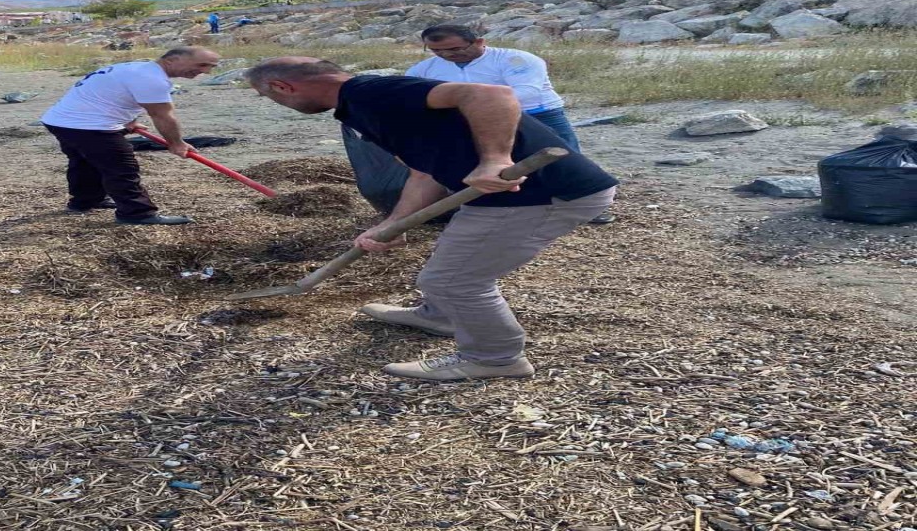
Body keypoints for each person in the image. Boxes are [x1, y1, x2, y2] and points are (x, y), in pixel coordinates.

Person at [245, 58, 618, 381]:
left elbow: (491, 95)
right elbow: (426, 173)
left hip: (542, 193)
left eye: (270, 96)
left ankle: (495, 357)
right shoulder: (361, 106)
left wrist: (494, 160)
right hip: (503, 196)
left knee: (455, 279)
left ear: (282, 86)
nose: (275, 102)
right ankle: (440, 316)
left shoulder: (371, 93)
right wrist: (395, 223)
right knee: (453, 263)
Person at [407, 24, 614, 225]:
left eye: (455, 49)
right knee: (480, 164)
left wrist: (474, 105)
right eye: (436, 51)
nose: (447, 55)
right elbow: (410, 94)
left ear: (478, 42)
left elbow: (526, 91)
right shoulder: (424, 69)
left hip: (536, 114)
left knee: (565, 161)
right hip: (472, 120)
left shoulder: (517, 60)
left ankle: (587, 209)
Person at [40, 47, 220, 226]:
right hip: (86, 125)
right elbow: (162, 115)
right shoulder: (151, 79)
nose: (205, 71)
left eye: (210, 67)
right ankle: (136, 213)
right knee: (121, 168)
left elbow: (118, 96)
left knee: (84, 162)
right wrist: (176, 143)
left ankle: (85, 201)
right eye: (202, 64)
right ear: (171, 60)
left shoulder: (136, 69)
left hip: (60, 121)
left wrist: (130, 121)